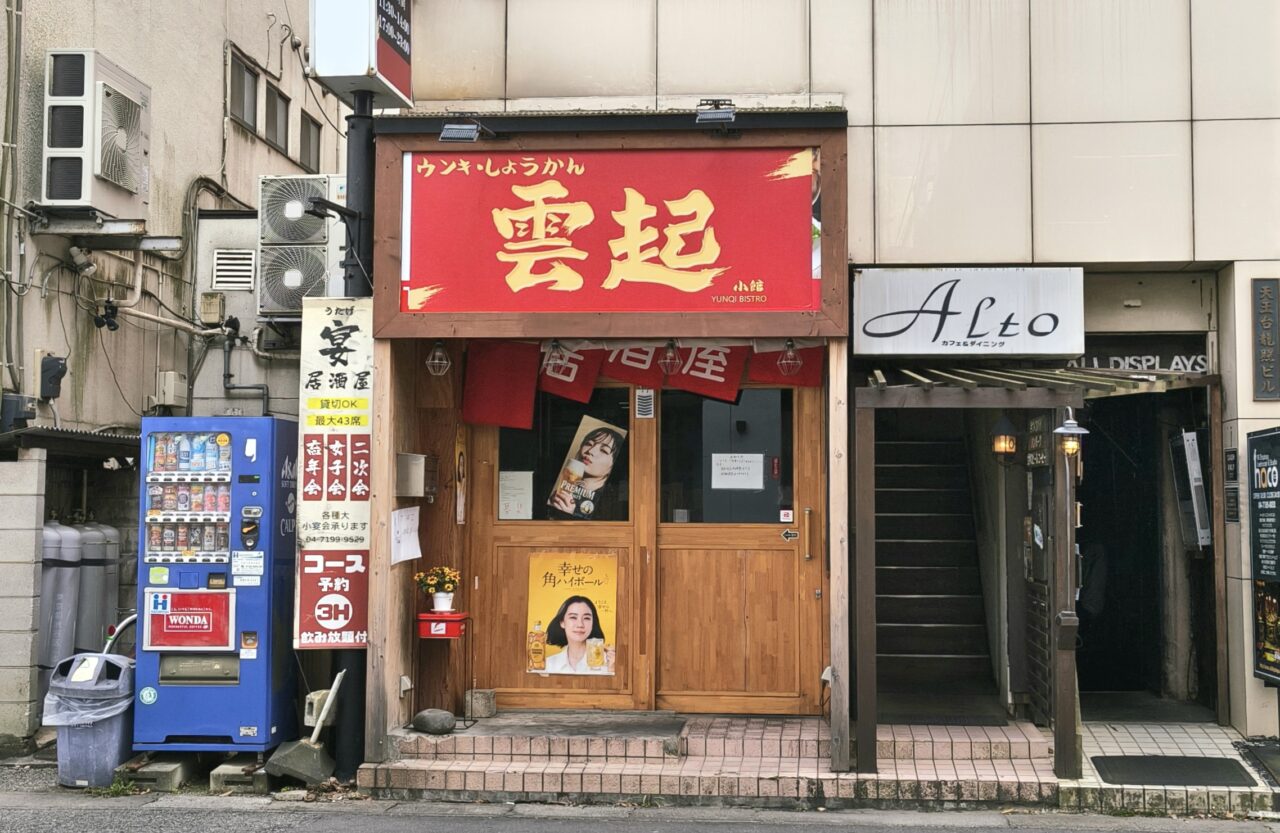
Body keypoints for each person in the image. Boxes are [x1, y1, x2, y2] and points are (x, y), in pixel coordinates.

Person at [548, 426, 625, 520]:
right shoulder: (564, 482)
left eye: (604, 450)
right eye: (589, 443)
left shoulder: (613, 500)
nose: (590, 451)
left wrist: (569, 517)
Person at [543, 595, 614, 674]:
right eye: (573, 617)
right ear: (562, 622)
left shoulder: (610, 662)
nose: (580, 624)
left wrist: (612, 670)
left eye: (586, 618)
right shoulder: (548, 665)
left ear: (593, 623)